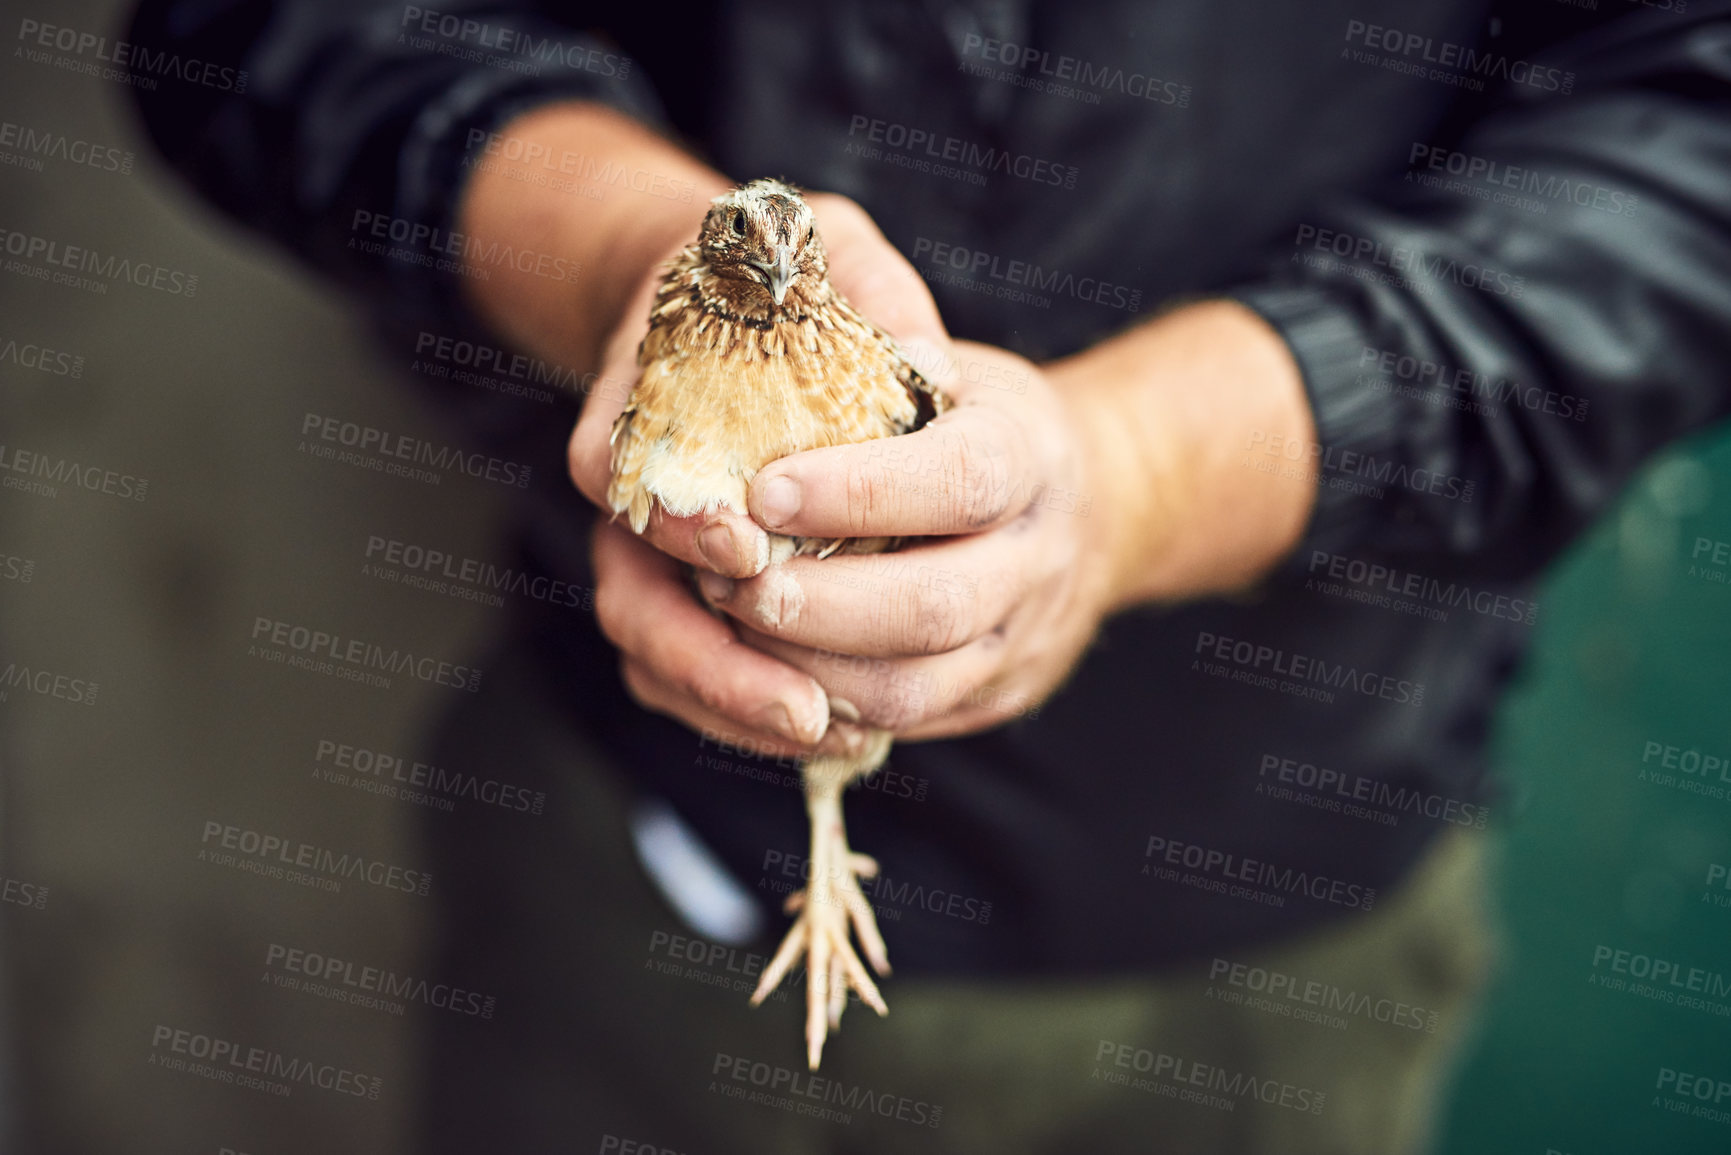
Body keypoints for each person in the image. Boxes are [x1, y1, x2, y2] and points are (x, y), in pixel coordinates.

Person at [125, 1, 1731, 1151]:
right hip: (642, 851)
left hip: (1271, 903)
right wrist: (621, 246)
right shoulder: (717, 340)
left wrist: (1143, 470)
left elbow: (1691, 155)